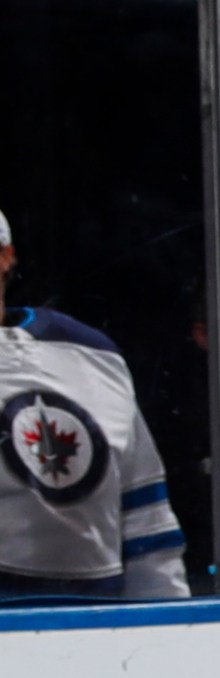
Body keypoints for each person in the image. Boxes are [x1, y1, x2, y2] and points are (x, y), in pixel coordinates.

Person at [0, 210, 188, 598]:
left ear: (6, 256)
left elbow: (147, 530)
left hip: (97, 633)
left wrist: (168, 632)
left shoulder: (89, 354)